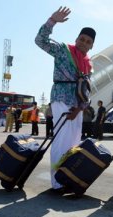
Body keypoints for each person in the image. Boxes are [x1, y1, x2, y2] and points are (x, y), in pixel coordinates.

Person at [35, 6, 96, 192]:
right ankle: (57, 182)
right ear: (77, 39)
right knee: (61, 140)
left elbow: (86, 89)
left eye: (88, 42)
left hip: (77, 106)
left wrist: (80, 108)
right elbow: (40, 41)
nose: (84, 43)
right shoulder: (63, 50)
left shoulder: (88, 63)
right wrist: (52, 21)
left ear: (92, 45)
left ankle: (68, 177)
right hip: (61, 99)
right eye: (82, 39)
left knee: (73, 143)